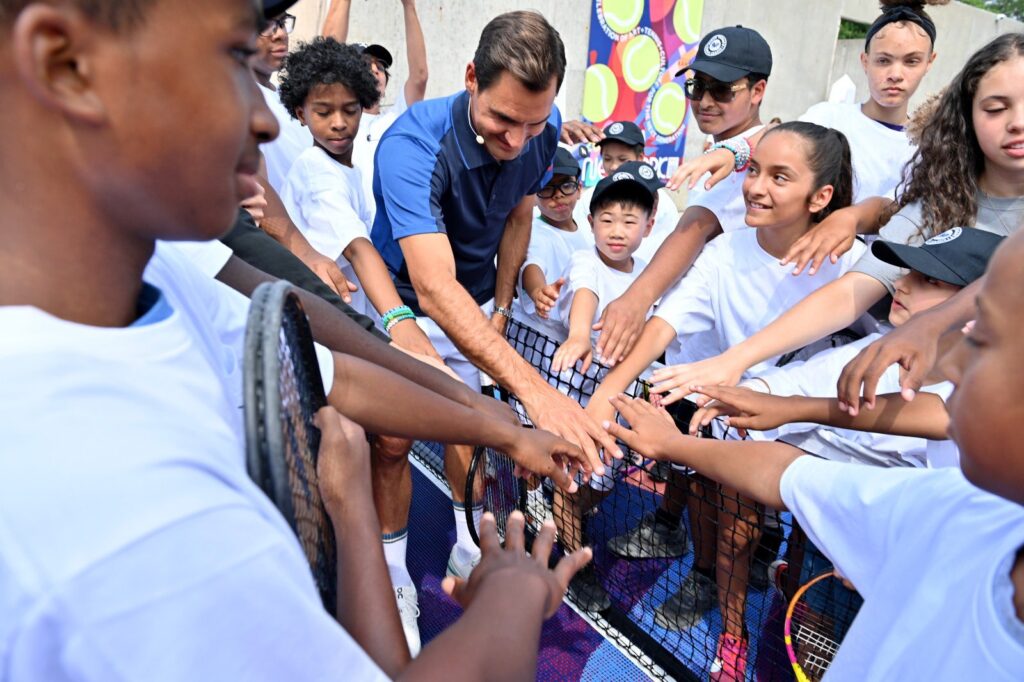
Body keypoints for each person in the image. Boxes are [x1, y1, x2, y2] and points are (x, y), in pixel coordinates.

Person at [0, 1, 595, 679]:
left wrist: (497, 425)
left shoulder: (161, 267)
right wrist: (513, 597)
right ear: (65, 65)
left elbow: (325, 352)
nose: (264, 119)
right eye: (233, 58)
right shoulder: (106, 512)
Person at [601, 228, 1024, 682]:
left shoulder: (958, 507)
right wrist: (682, 439)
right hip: (844, 533)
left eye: (983, 341)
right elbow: (789, 471)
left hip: (852, 543)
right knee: (809, 617)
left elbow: (929, 414)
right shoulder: (955, 508)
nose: (958, 365)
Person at [592, 122, 862, 676]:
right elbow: (663, 325)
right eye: (754, 170)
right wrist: (606, 393)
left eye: (780, 177)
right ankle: (730, 626)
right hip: (724, 417)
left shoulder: (853, 263)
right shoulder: (724, 252)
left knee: (778, 548)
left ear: (821, 198)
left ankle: (762, 606)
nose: (756, 186)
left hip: (810, 438)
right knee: (722, 518)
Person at [648, 33, 1024, 415]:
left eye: (911, 60)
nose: (1017, 123)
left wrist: (932, 323)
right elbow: (853, 291)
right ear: (967, 114)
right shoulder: (936, 200)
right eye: (996, 108)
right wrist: (739, 361)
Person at [370, 9, 621, 584]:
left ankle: (467, 543)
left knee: (473, 428)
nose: (516, 141)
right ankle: (393, 574)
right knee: (392, 442)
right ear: (470, 78)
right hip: (405, 308)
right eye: (503, 119)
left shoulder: (543, 127)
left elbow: (519, 214)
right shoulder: (411, 146)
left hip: (479, 303)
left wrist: (502, 306)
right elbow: (434, 287)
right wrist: (537, 394)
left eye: (532, 125)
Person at [591, 25, 773, 367]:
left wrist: (636, 300)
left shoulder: (757, 157)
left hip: (723, 358)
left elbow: (694, 229)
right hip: (699, 347)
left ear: (757, 90)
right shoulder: (726, 150)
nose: (705, 101)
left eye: (721, 89)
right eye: (697, 86)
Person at [542, 165, 659, 611]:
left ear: (649, 226)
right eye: (607, 219)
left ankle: (560, 506)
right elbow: (585, 293)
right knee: (571, 480)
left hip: (619, 397)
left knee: (604, 478)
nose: (617, 231)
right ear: (590, 223)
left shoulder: (647, 276)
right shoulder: (585, 260)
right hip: (574, 388)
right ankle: (576, 563)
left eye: (629, 221)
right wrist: (578, 336)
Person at [278, 37, 438, 360]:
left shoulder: (350, 170)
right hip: (320, 332)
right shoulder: (315, 171)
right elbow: (357, 248)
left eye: (349, 110)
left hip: (350, 320)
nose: (338, 123)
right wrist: (400, 321)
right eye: (323, 112)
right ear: (301, 114)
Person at [801, 0, 943, 202]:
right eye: (883, 60)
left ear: (929, 62)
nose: (895, 75)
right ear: (865, 61)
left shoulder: (929, 148)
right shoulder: (824, 119)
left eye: (911, 61)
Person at [322, 0, 429, 218]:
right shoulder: (336, 119)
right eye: (365, 65)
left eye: (380, 67)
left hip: (388, 228)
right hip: (346, 226)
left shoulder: (397, 118)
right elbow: (325, 61)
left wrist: (409, 7)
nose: (375, 71)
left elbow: (419, 76)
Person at [572, 121, 680, 263]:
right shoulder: (589, 198)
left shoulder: (663, 204)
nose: (613, 166)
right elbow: (583, 242)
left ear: (640, 158)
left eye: (622, 159)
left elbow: (669, 250)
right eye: (607, 159)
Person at [515, 146, 590, 344]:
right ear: (533, 195)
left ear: (579, 189)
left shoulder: (589, 229)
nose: (558, 195)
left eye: (566, 185)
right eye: (546, 188)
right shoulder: (532, 232)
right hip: (544, 341)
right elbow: (531, 264)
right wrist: (538, 291)